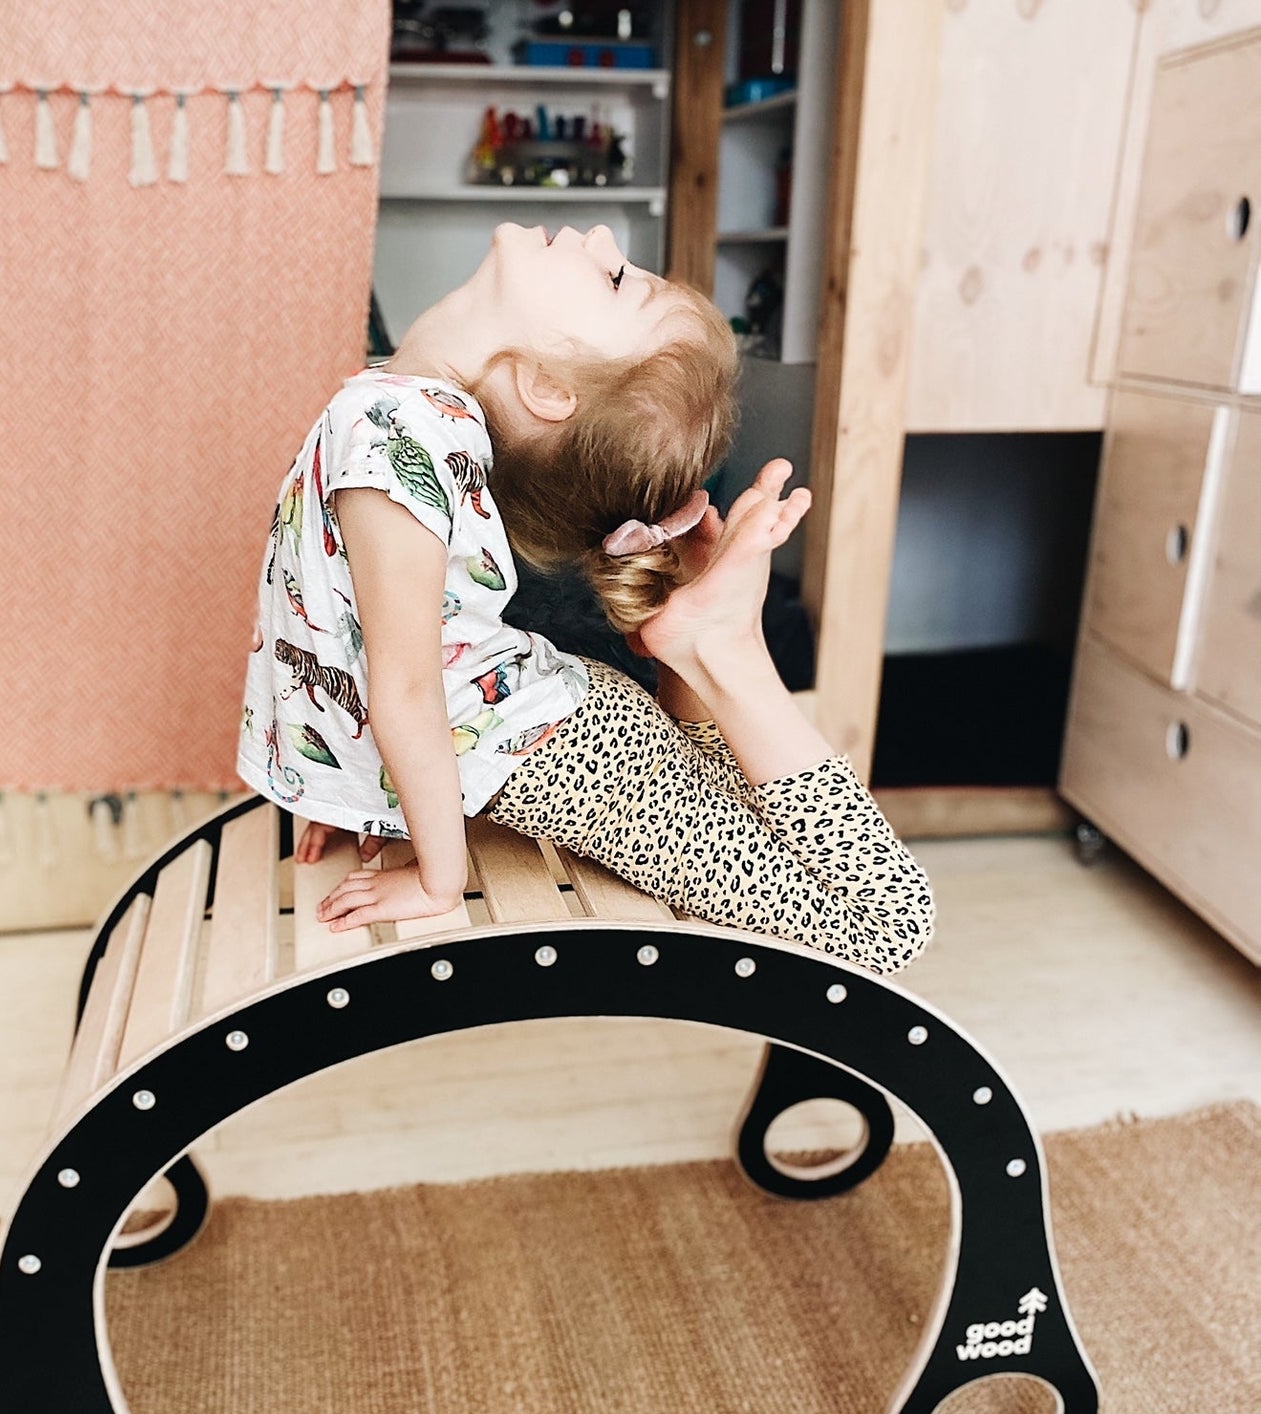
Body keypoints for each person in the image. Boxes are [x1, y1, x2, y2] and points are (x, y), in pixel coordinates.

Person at [237, 223, 934, 976]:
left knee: (887, 920)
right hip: (564, 744)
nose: (601, 236)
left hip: (571, 753)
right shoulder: (396, 415)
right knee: (824, 876)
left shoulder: (403, 431)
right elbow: (322, 607)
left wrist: (439, 878)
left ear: (547, 385)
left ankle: (724, 644)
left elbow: (406, 688)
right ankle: (701, 637)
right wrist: (347, 797)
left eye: (614, 281)